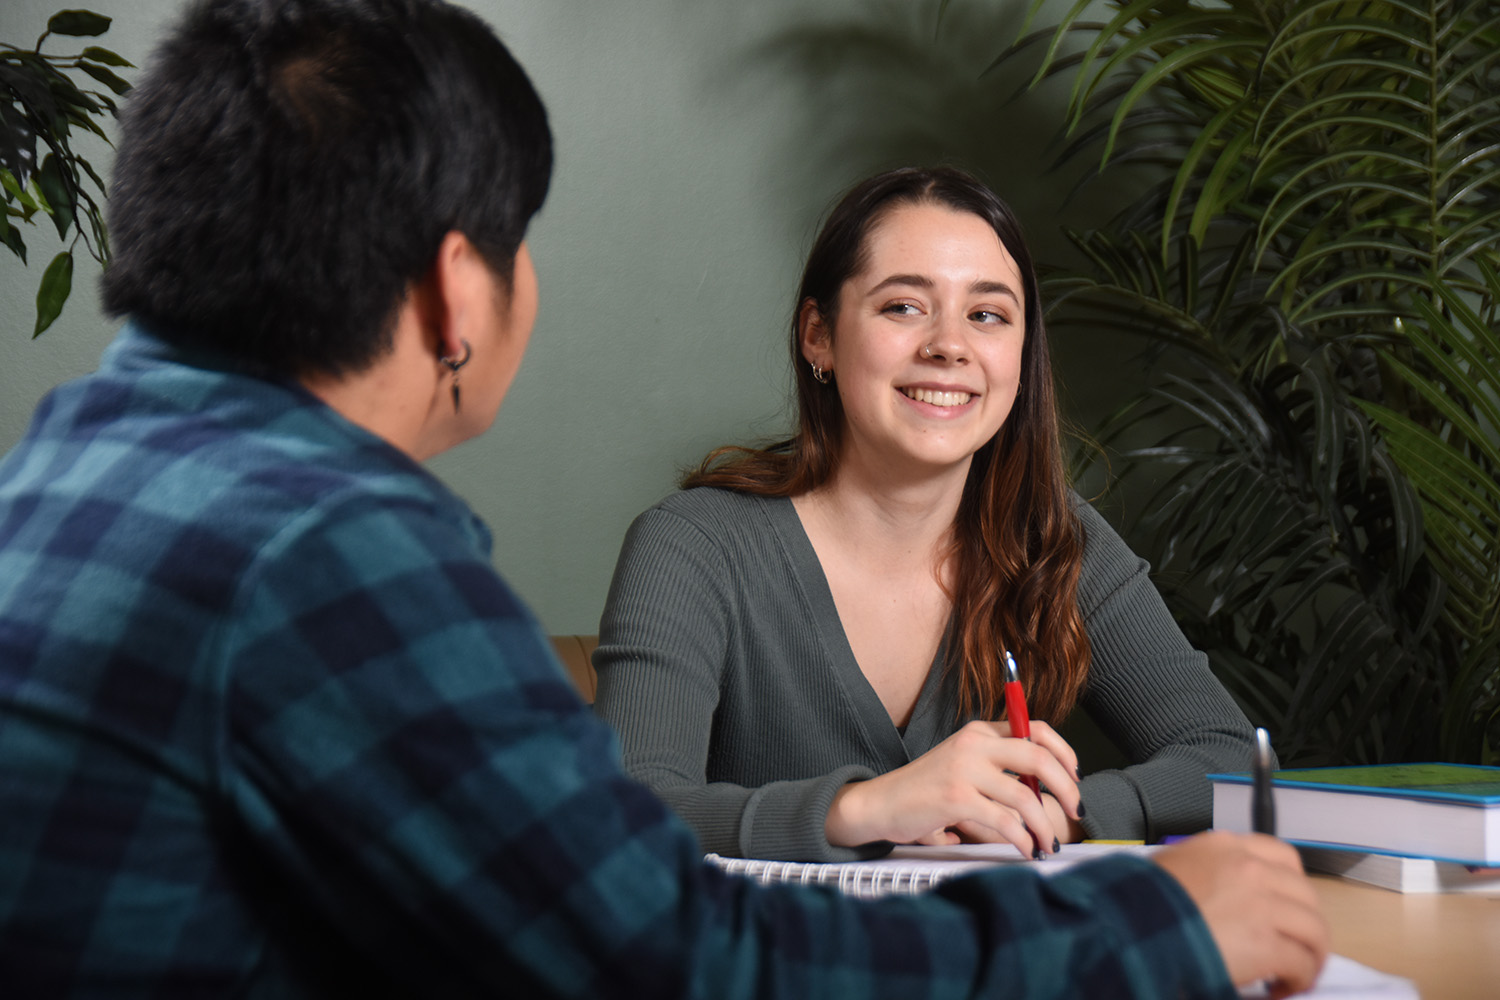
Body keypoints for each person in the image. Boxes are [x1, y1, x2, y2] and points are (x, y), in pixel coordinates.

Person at [0, 1, 1326, 996]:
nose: (950, 347)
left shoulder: (71, 468)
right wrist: (1156, 929)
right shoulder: (327, 549)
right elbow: (675, 961)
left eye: (989, 314)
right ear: (460, 291)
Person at [593, 166, 1262, 864]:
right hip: (772, 965)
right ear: (818, 335)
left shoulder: (1055, 538)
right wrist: (870, 808)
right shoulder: (695, 545)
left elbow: (1231, 760)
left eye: (987, 315)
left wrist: (1060, 810)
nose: (949, 346)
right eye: (904, 307)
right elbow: (620, 810)